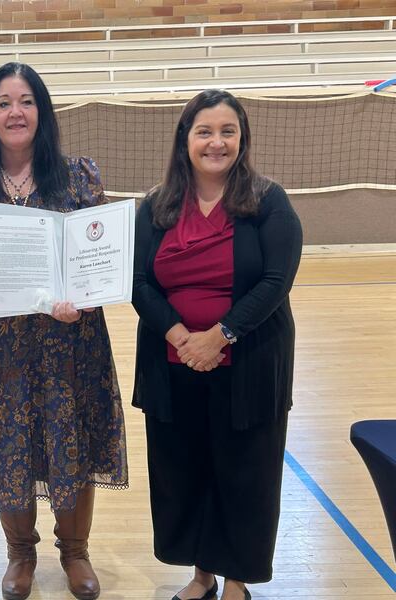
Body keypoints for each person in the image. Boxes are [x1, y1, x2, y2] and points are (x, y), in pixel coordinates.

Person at [0, 62, 128, 600]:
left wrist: (82, 301)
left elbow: (99, 259)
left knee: (71, 440)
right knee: (6, 441)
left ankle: (75, 551)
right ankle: (20, 553)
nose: (15, 112)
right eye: (3, 103)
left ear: (42, 110)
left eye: (26, 101)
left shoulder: (79, 175)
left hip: (69, 340)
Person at [131, 89, 303, 600]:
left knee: (245, 472)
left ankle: (236, 582)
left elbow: (276, 280)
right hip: (172, 361)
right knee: (184, 470)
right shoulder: (157, 205)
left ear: (242, 138)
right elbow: (138, 280)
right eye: (204, 131)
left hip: (248, 361)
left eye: (228, 131)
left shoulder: (268, 201)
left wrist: (220, 336)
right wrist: (180, 335)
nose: (216, 142)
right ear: (185, 139)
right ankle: (202, 575)